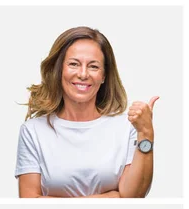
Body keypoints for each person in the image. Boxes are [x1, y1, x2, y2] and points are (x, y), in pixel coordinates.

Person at [16, 26, 157, 198]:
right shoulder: (32, 131)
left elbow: (133, 196)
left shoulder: (127, 127)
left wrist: (146, 133)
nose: (83, 74)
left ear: (104, 75)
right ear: (59, 70)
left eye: (93, 66)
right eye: (74, 64)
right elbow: (30, 202)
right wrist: (111, 197)